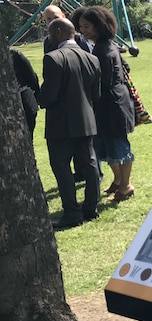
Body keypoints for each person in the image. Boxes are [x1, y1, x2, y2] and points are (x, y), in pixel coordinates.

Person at [39, 18, 102, 229]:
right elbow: (96, 94)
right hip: (86, 119)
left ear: (57, 32)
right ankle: (91, 207)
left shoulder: (53, 58)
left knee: (61, 167)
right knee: (89, 164)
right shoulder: (92, 58)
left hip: (60, 124)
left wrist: (38, 97)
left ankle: (72, 212)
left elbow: (49, 96)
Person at [78, 6, 136, 202]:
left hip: (113, 104)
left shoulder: (103, 49)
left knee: (118, 144)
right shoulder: (105, 45)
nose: (83, 31)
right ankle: (118, 180)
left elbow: (103, 80)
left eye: (86, 26)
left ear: (98, 26)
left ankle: (126, 185)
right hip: (109, 102)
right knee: (106, 143)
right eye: (81, 27)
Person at [11, 49, 40, 136]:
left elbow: (32, 77)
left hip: (26, 102)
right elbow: (32, 77)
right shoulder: (15, 55)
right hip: (26, 102)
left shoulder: (15, 55)